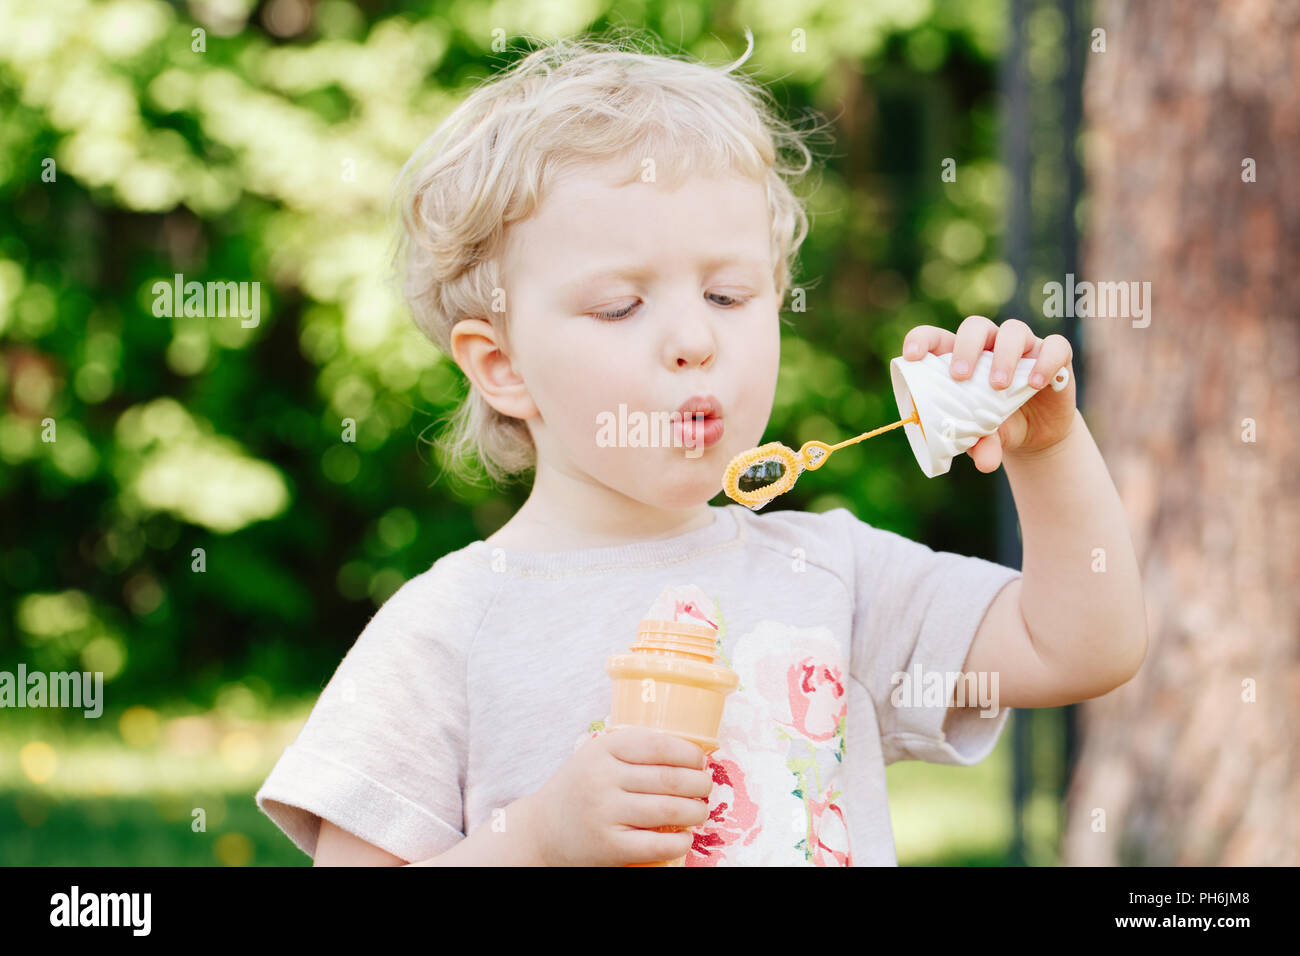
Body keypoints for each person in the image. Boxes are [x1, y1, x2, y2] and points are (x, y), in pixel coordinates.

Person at [255, 30, 1146, 866]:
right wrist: (534, 840)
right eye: (619, 306)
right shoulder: (441, 632)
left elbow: (1080, 645)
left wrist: (1047, 448)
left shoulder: (832, 577)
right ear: (502, 366)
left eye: (729, 296)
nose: (694, 339)